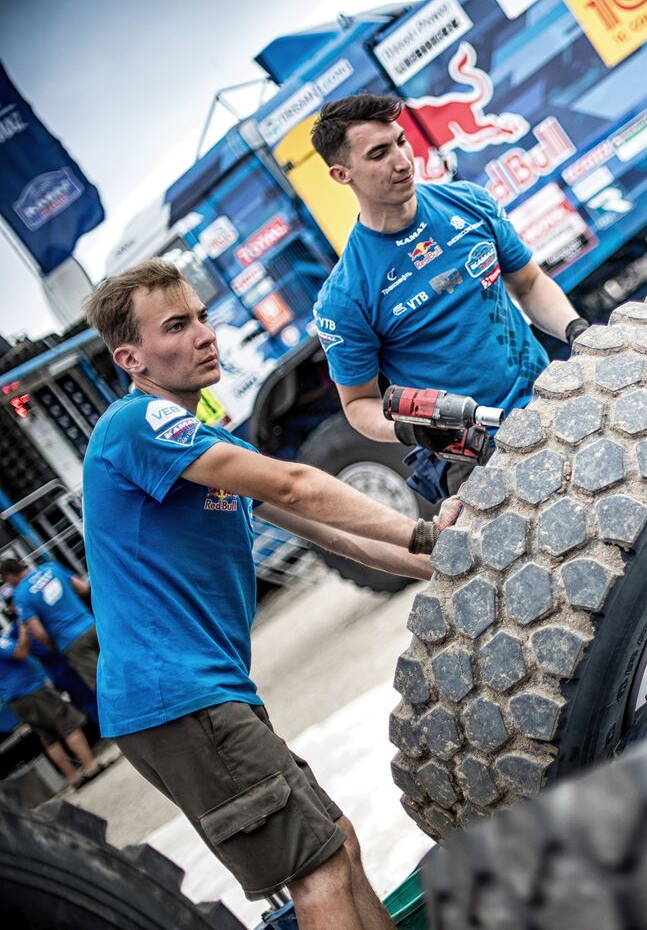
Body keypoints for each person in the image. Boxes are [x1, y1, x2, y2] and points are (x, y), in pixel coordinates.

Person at [80, 259, 462, 930]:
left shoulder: (204, 445)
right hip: (177, 697)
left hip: (207, 692)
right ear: (131, 358)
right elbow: (295, 485)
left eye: (202, 316)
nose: (205, 334)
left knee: (336, 840)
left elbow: (333, 534)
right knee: (317, 871)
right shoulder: (138, 425)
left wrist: (445, 559)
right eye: (177, 325)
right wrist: (425, 531)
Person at [309, 93, 590, 501]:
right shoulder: (344, 296)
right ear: (341, 174)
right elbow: (358, 404)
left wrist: (576, 330)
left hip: (550, 400)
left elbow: (528, 283)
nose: (403, 161)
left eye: (401, 142)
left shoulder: (468, 203)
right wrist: (410, 430)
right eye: (379, 154)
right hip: (472, 456)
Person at [0, 617, 101, 788]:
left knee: (48, 737)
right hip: (31, 690)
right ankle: (92, 766)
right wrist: (23, 630)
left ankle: (74, 778)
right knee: (68, 724)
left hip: (15, 699)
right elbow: (20, 652)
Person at [2, 558, 100, 692]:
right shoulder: (51, 567)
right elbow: (83, 588)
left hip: (70, 642)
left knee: (102, 685)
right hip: (93, 626)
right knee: (121, 665)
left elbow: (39, 633)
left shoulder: (20, 595)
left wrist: (54, 647)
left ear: (9, 576)